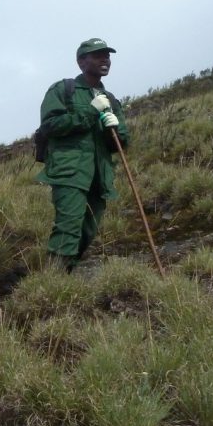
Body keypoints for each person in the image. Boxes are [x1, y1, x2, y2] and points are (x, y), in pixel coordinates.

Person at [36, 38, 130, 272]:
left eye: (107, 56)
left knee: (89, 229)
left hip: (99, 177)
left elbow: (122, 143)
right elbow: (51, 125)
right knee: (68, 226)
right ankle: (53, 282)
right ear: (81, 61)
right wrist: (90, 112)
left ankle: (65, 272)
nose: (105, 60)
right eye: (98, 55)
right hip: (70, 172)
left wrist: (114, 128)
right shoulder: (63, 90)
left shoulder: (111, 101)